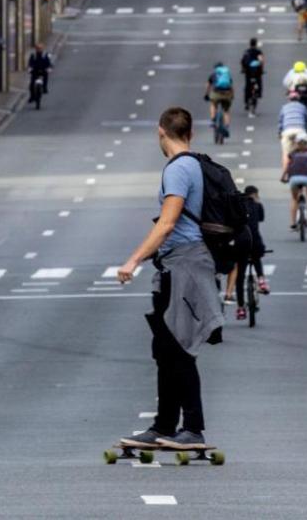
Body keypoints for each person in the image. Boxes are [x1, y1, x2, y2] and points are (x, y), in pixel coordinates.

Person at [115, 108, 224, 451]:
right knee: (165, 348)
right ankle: (164, 425)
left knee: (179, 348)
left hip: (184, 265)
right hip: (178, 265)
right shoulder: (191, 165)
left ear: (161, 131)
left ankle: (192, 428)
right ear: (189, 132)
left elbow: (167, 222)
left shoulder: (179, 169)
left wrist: (133, 260)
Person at [228, 186, 269, 321]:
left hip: (240, 243)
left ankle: (240, 308)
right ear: (255, 194)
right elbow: (261, 219)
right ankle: (262, 280)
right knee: (256, 257)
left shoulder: (236, 207)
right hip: (255, 241)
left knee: (240, 277)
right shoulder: (258, 205)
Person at [282, 133, 307, 227]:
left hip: (294, 178)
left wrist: (283, 177)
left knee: (294, 200)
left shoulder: (293, 153)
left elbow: (288, 166)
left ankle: (293, 222)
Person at [205, 62, 235, 135]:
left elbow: (208, 85)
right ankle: (226, 126)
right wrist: (232, 95)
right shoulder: (227, 75)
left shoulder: (214, 74)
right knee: (226, 111)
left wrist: (206, 94)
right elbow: (231, 86)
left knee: (213, 104)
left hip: (216, 93)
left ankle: (213, 120)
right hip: (227, 94)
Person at [240, 38, 264, 116]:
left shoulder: (246, 52)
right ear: (256, 44)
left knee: (247, 86)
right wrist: (262, 70)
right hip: (257, 73)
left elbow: (242, 61)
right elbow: (262, 61)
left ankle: (246, 102)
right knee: (258, 85)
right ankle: (258, 94)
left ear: (250, 44)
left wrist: (243, 70)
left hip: (248, 72)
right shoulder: (258, 52)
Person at [28, 43, 54, 108]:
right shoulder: (33, 55)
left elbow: (49, 63)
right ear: (36, 49)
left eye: (40, 48)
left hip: (43, 70)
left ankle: (45, 88)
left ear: (43, 49)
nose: (39, 50)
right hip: (35, 71)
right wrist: (30, 68)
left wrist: (49, 68)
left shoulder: (45, 55)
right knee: (31, 85)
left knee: (45, 77)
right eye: (38, 48)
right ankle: (32, 96)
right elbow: (30, 63)